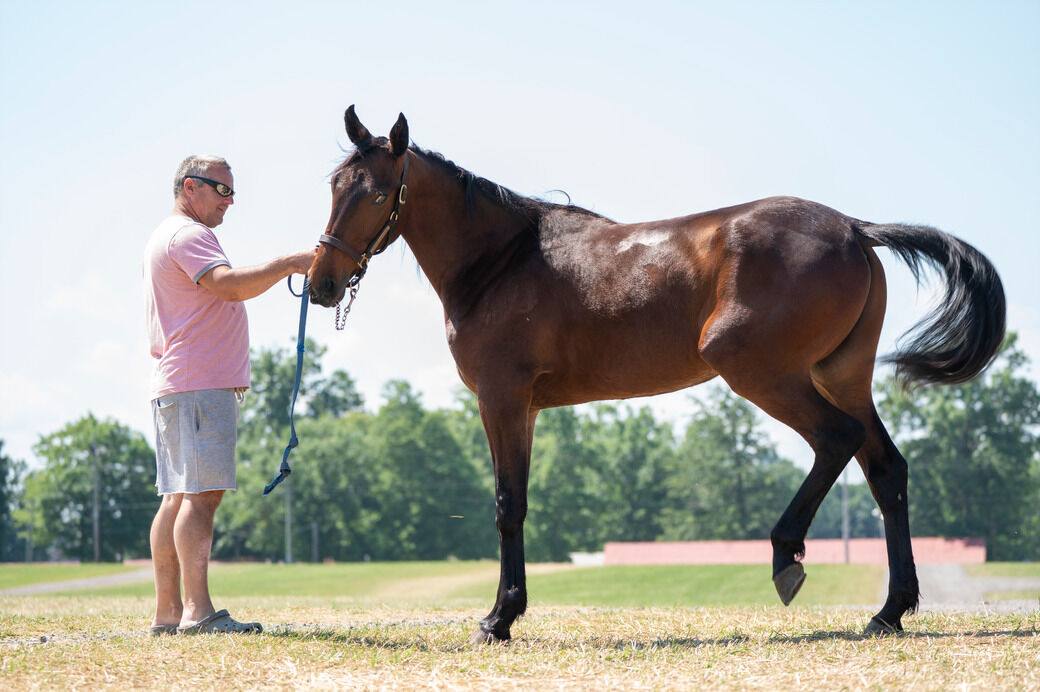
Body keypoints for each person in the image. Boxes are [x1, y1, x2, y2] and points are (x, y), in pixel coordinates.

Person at [142, 154, 314, 635]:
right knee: (200, 497)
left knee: (177, 497)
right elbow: (228, 287)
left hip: (180, 384)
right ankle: (198, 613)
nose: (231, 201)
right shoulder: (190, 236)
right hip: (198, 386)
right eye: (223, 190)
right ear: (191, 187)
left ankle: (168, 615)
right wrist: (290, 263)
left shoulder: (166, 235)